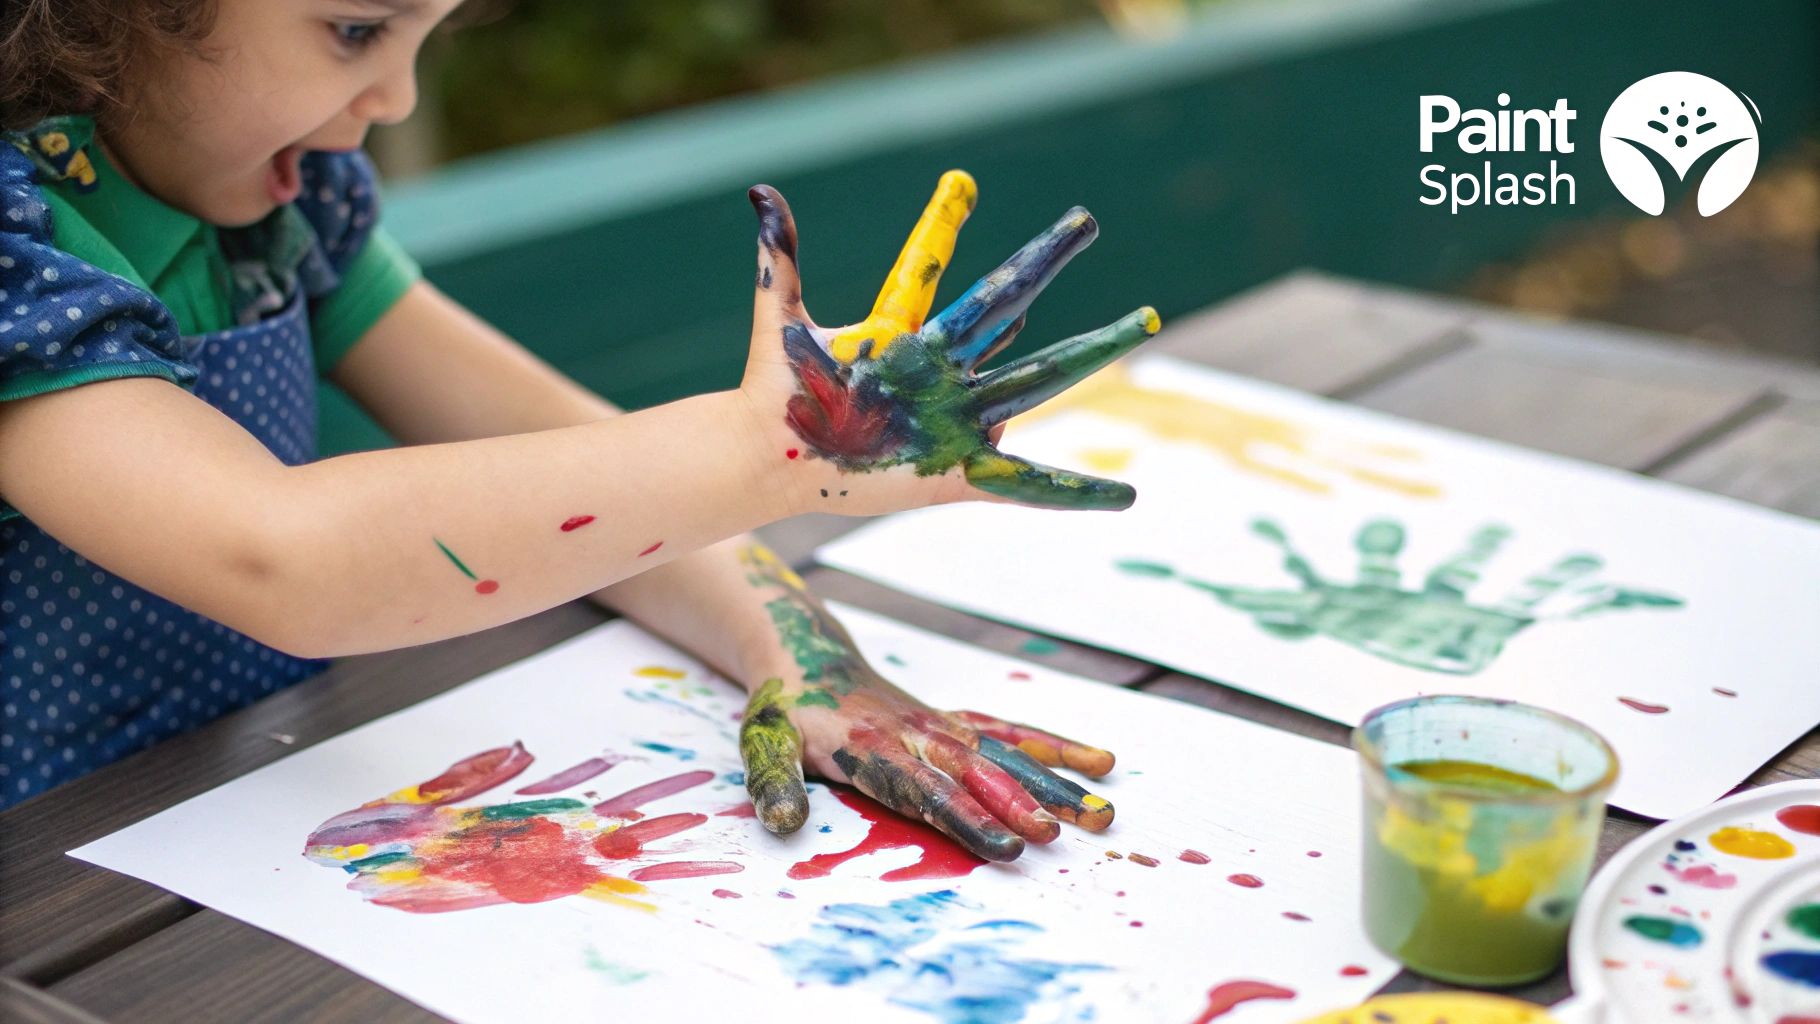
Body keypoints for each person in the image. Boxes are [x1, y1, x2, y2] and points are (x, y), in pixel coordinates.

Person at [0, 0, 1160, 862]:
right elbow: (275, 554)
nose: (395, 99)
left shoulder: (287, 207)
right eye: (356, 29)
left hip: (254, 808)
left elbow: (575, 451)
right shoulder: (18, 249)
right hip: (50, 887)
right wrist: (775, 449)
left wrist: (804, 659)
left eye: (424, 38)